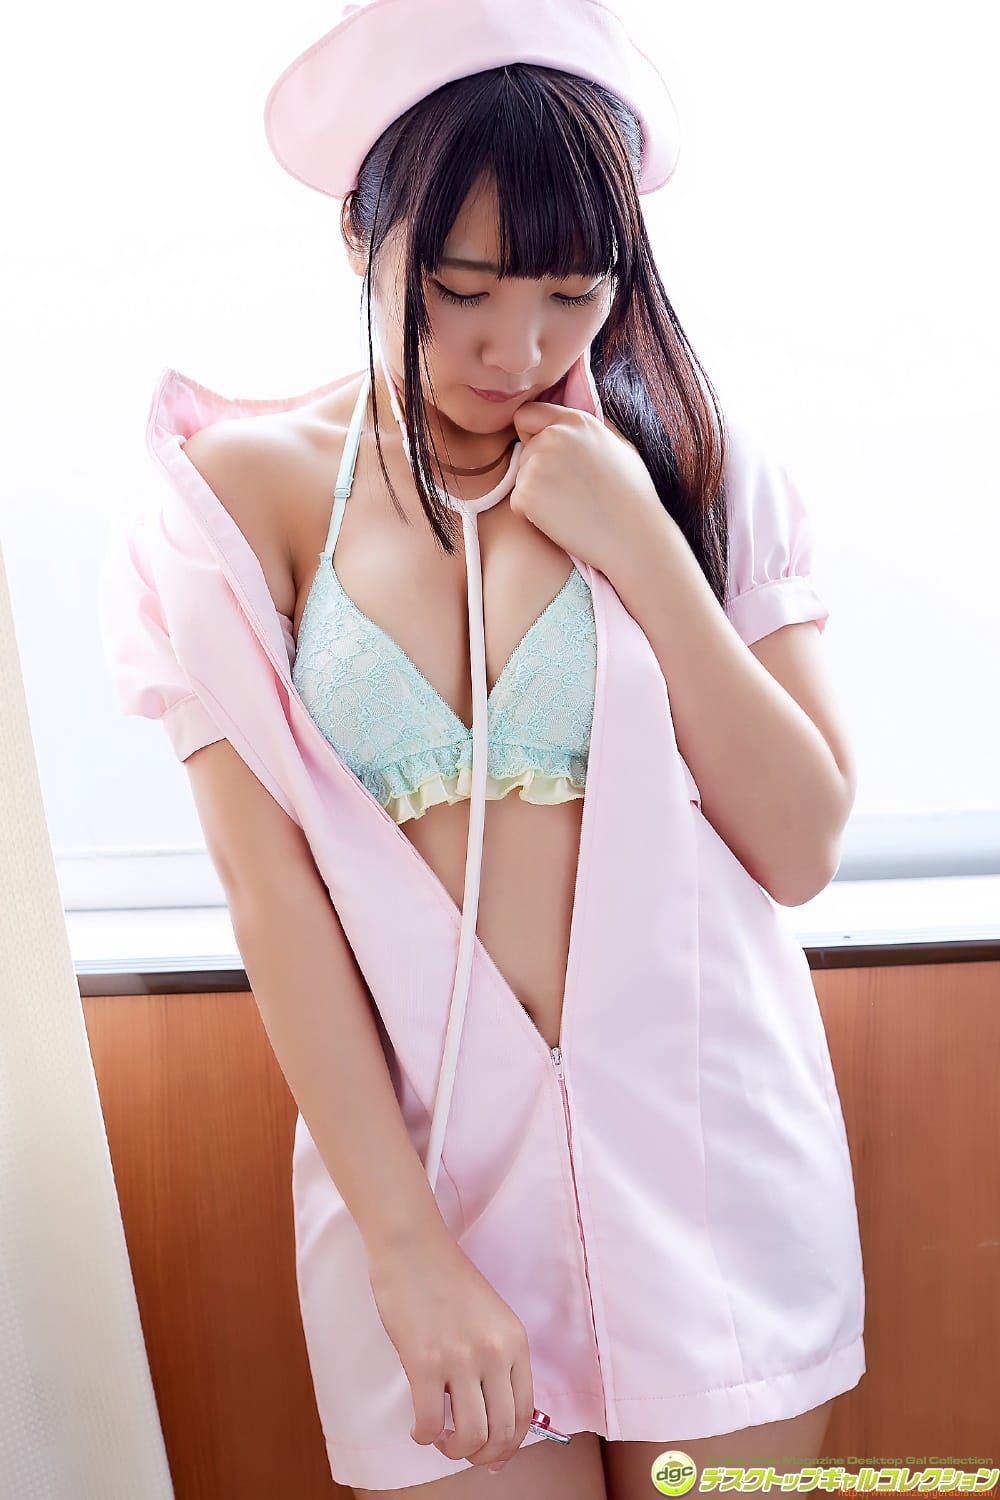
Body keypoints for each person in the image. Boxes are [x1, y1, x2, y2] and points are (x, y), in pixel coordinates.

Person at [97, 0, 866, 1493]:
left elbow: (800, 842)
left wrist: (642, 544)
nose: (520, 350)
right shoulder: (231, 511)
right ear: (359, 237)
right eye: (462, 292)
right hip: (431, 1199)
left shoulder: (694, 464)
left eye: (577, 293)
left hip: (714, 1176)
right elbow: (274, 901)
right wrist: (405, 1249)